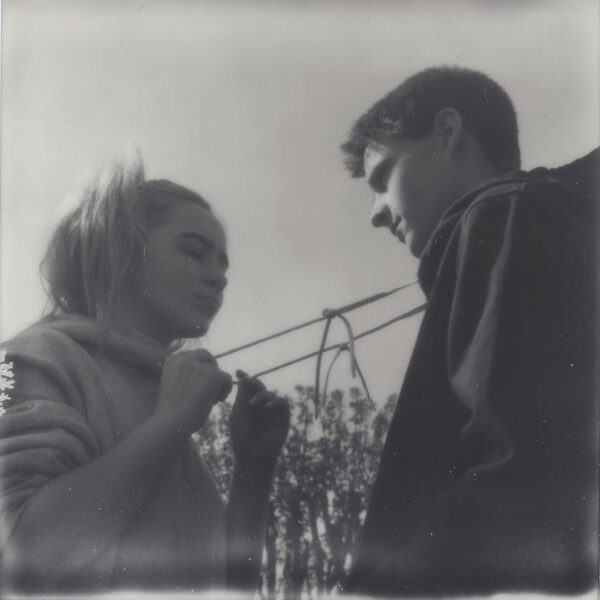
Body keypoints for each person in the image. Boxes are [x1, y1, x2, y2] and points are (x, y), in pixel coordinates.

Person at [340, 66, 598, 597]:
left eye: (382, 178)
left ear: (448, 131)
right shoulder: (546, 221)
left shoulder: (502, 214)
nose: (375, 215)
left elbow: (526, 468)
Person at [0, 157, 290, 595]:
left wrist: (254, 467)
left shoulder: (165, 395)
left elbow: (228, 590)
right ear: (120, 252)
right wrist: (169, 424)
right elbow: (21, 561)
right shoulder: (34, 357)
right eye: (193, 252)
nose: (218, 278)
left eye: (223, 265)